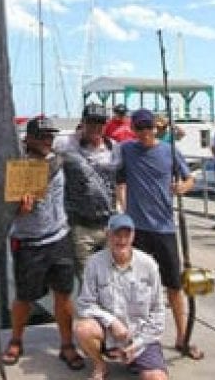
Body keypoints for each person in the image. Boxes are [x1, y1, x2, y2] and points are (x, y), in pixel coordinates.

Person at [113, 108, 203, 360]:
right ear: (133, 129)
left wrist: (182, 187)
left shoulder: (169, 150)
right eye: (139, 128)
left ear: (155, 128)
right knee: (135, 287)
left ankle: (182, 337)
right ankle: (136, 339)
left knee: (174, 286)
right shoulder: (126, 150)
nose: (143, 133)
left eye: (147, 128)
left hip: (164, 228)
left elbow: (189, 179)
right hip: (137, 230)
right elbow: (116, 176)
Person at [3, 116, 86, 370]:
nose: (47, 141)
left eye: (50, 136)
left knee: (64, 294)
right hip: (28, 242)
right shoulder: (15, 166)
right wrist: (19, 209)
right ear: (28, 139)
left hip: (59, 238)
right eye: (42, 137)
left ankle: (66, 344)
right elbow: (4, 208)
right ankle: (16, 340)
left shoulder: (59, 160)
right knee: (24, 298)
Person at [74, 213, 169, 380]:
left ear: (133, 236)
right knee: (83, 328)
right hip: (109, 335)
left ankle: (137, 361)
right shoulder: (94, 263)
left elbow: (158, 312)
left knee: (156, 378)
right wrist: (111, 322)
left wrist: (137, 344)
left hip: (140, 337)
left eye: (127, 235)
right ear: (107, 234)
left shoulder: (148, 264)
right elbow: (84, 304)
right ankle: (99, 365)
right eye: (117, 234)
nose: (122, 240)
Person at [55, 104, 117, 278]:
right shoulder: (64, 144)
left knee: (111, 278)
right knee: (87, 280)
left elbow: (121, 182)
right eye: (91, 122)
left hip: (108, 225)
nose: (96, 127)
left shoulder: (114, 148)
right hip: (80, 227)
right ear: (82, 123)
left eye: (100, 123)